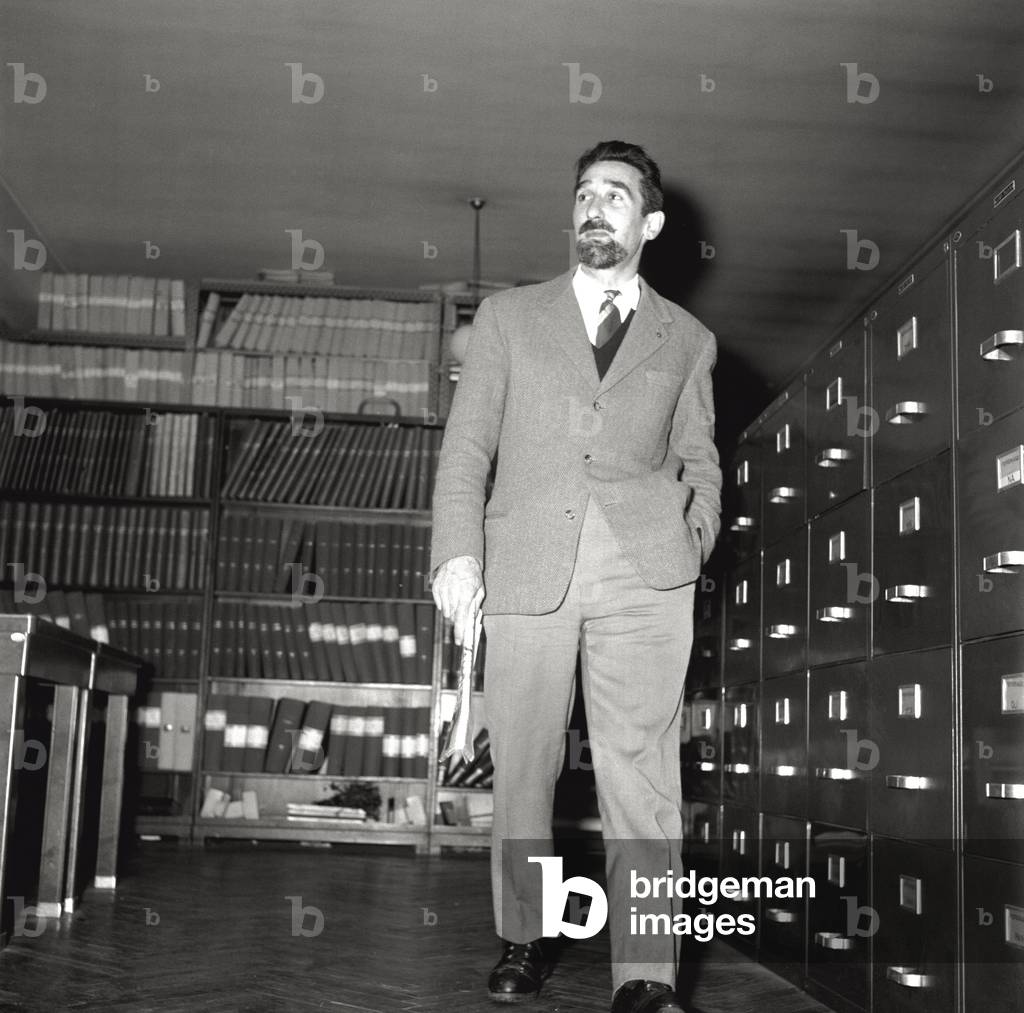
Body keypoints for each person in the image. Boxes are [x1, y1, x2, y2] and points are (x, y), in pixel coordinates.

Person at [430, 139, 721, 1013]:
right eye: (585, 194)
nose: (596, 208)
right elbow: (468, 444)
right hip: (527, 568)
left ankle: (645, 974)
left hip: (646, 575)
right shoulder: (511, 319)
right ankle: (525, 935)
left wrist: (691, 540)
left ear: (651, 223)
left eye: (617, 196)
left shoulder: (690, 338)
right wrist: (457, 549)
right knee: (524, 766)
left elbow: (701, 458)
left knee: (644, 775)